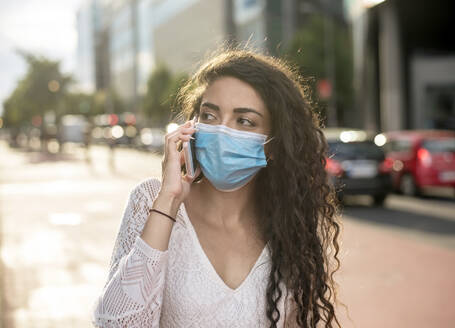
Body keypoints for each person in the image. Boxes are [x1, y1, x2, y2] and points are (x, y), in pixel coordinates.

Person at [92, 49, 341, 327]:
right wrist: (169, 201)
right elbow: (115, 323)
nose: (222, 131)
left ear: (273, 145)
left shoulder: (288, 223)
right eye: (210, 116)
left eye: (244, 121)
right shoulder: (150, 200)